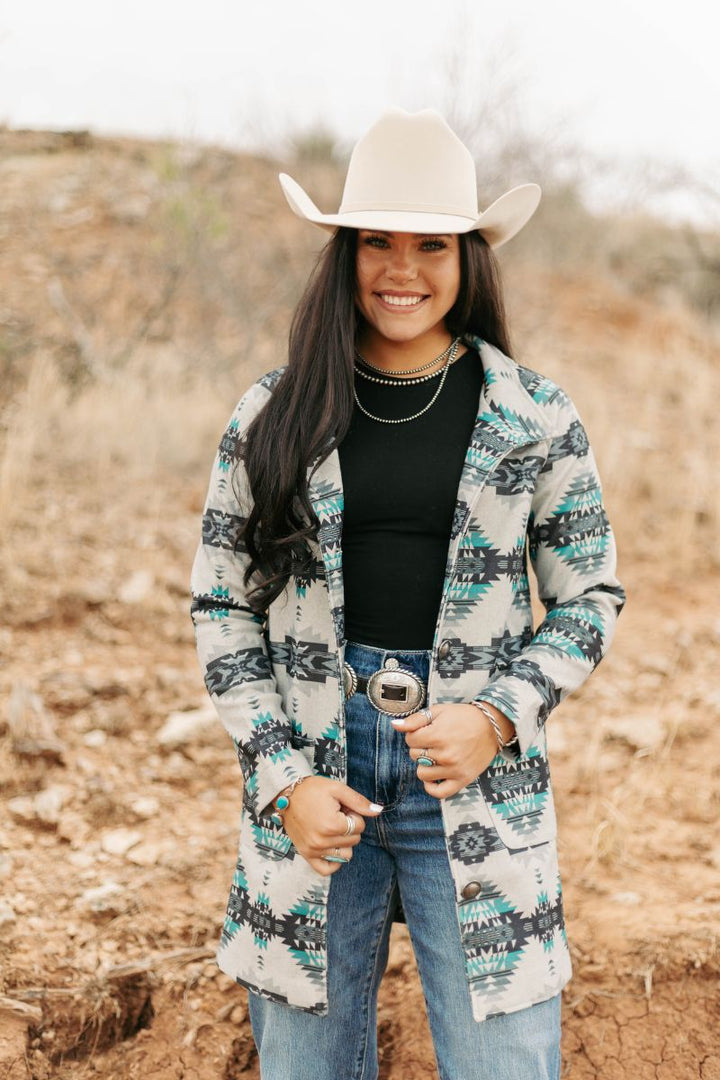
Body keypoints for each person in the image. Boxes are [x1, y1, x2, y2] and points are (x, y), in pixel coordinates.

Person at [189, 108, 625, 1080]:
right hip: (316, 773)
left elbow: (590, 596)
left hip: (472, 777)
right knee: (304, 1063)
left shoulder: (533, 415)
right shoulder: (274, 412)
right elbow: (222, 608)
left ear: (469, 258)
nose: (403, 268)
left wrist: (496, 717)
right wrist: (282, 780)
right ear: (343, 254)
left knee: (507, 1062)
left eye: (432, 244)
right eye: (376, 241)